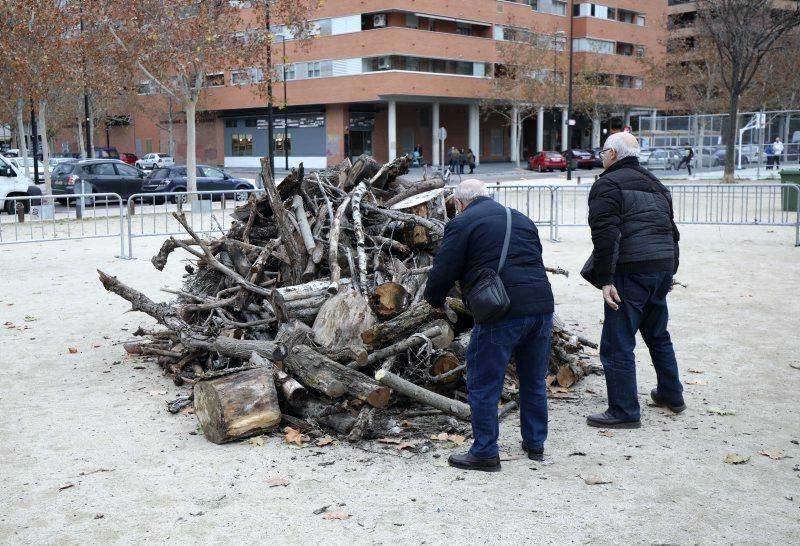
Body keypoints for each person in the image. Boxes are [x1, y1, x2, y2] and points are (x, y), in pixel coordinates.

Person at [424, 179, 554, 472]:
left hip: (501, 310)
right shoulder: (521, 219)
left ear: (459, 203)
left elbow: (445, 268)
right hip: (542, 306)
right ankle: (535, 443)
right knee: (533, 379)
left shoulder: (462, 223)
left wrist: (432, 298)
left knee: (484, 383)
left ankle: (484, 452)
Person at [586, 132, 684, 429]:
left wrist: (605, 279)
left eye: (603, 151)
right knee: (657, 334)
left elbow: (606, 235)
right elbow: (672, 231)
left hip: (631, 271)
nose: (601, 156)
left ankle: (624, 410)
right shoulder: (656, 183)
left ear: (613, 155)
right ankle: (671, 394)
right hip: (661, 268)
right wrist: (670, 272)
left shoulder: (607, 184)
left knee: (617, 343)